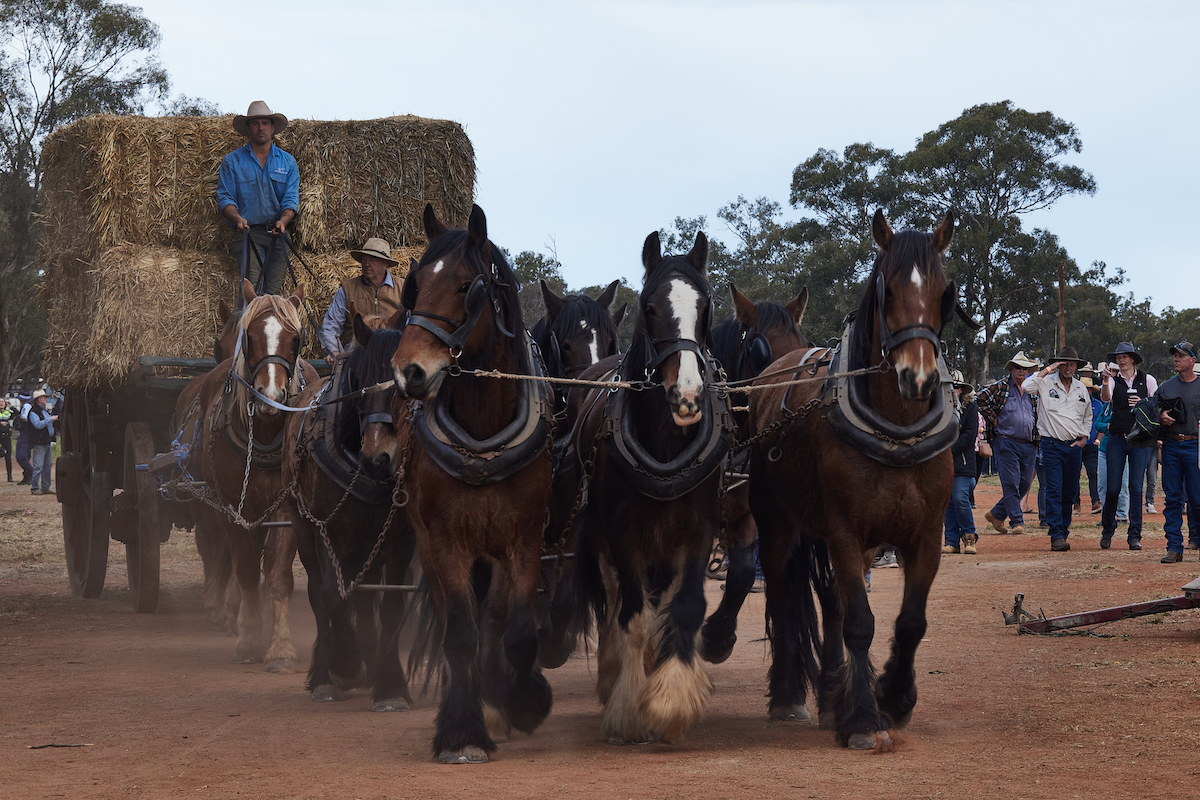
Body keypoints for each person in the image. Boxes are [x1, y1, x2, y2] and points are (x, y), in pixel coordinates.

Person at [216, 101, 299, 297]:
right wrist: (238, 219)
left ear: (272, 127)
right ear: (248, 128)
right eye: (255, 123)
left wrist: (283, 221)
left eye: (264, 123)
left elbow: (290, 200)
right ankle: (246, 327)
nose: (260, 128)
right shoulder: (232, 161)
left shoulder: (287, 162)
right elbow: (225, 198)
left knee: (273, 295)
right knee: (252, 290)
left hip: (278, 236)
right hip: (249, 233)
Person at [1022, 347, 1093, 552]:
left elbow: (1087, 416)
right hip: (1051, 444)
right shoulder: (1045, 383)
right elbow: (1027, 385)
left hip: (1073, 446)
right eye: (1064, 363)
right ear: (1058, 364)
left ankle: (1063, 528)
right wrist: (1049, 368)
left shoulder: (1081, 389)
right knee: (1053, 489)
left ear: (1077, 366)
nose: (1068, 367)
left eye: (1072, 364)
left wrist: (1084, 437)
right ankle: (1056, 535)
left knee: (1070, 492)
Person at [1098, 342, 1157, 550]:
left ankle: (1134, 536)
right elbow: (1106, 398)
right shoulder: (1113, 380)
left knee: (1135, 487)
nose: (1120, 360)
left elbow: (1156, 405)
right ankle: (1107, 529)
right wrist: (1105, 380)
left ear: (1133, 358)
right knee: (1113, 488)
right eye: (1118, 357)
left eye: (1124, 357)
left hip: (1139, 439)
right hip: (1117, 437)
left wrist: (1143, 402)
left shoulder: (1147, 380)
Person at [977, 351, 1040, 536]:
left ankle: (996, 514)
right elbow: (979, 398)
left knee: (1024, 484)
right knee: (1010, 483)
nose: (1022, 371)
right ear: (1011, 369)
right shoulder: (1001, 387)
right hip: (1006, 441)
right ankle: (1017, 521)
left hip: (1029, 443)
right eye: (1018, 368)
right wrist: (992, 418)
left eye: (1025, 369)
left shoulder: (1032, 390)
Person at [1153, 342, 1200, 563]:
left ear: (1192, 360)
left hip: (1196, 446)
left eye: (1181, 356)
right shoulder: (1165, 387)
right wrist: (1161, 416)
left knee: (1197, 499)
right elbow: (1153, 411)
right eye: (1175, 355)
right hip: (1171, 446)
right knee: (1172, 498)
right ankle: (1174, 547)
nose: (1176, 359)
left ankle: (1197, 539)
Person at [319, 237, 403, 356]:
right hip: (356, 351)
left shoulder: (402, 288)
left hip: (394, 350)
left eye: (372, 260)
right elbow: (330, 327)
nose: (366, 264)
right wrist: (334, 352)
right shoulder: (347, 289)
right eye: (364, 259)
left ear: (384, 264)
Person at [943, 370, 981, 555]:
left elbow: (969, 436)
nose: (952, 390)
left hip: (964, 465)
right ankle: (951, 540)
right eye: (949, 386)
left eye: (956, 387)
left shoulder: (970, 409)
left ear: (962, 390)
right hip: (942, 465)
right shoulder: (938, 409)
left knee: (959, 498)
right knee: (947, 502)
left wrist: (946, 451)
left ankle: (969, 536)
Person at [26, 389, 58, 495]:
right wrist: (51, 419)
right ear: (39, 400)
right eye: (44, 397)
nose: (46, 399)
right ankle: (35, 488)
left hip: (46, 441)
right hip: (39, 442)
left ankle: (45, 487)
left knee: (47, 466)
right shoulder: (34, 412)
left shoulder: (43, 410)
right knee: (38, 466)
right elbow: (38, 425)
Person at [14, 391, 32, 485]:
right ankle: (27, 477)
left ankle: (30, 471)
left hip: (25, 432)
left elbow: (25, 418)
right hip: (26, 433)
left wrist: (20, 417)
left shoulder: (26, 406)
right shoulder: (27, 406)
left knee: (20, 456)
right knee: (26, 455)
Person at [0, 397, 13, 481]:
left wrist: (11, 407)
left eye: (2, 402)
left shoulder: (8, 413)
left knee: (8, 457)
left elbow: (17, 413)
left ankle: (10, 476)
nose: (1, 403)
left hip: (7, 437)